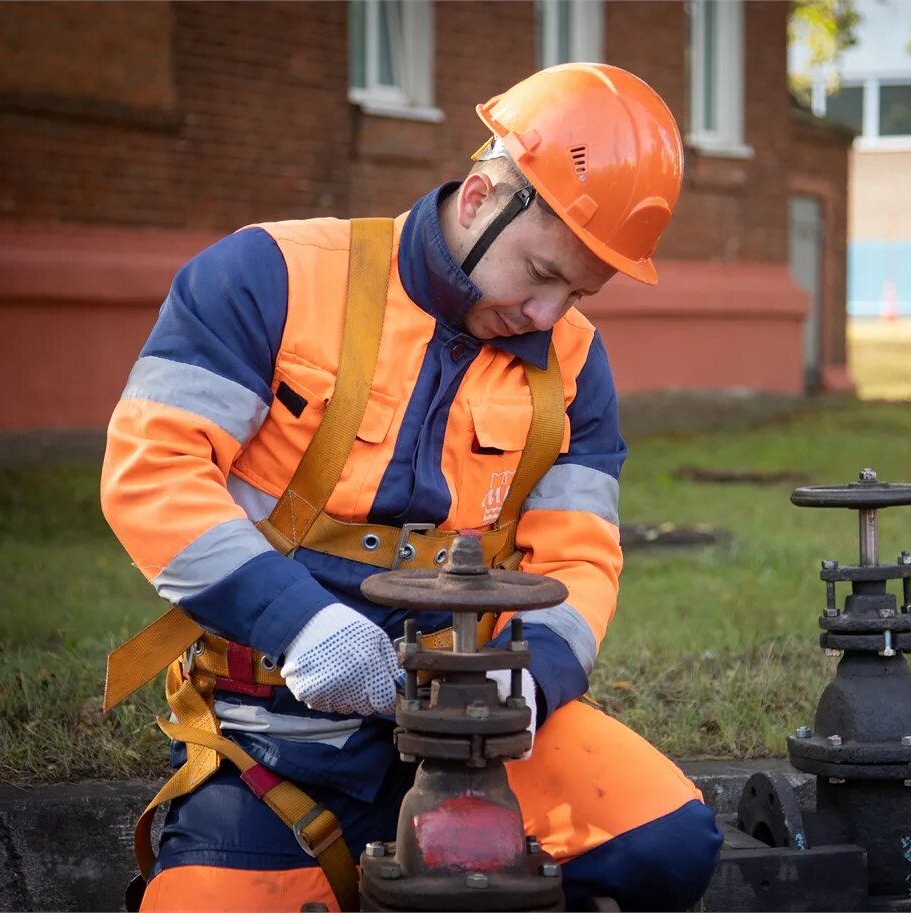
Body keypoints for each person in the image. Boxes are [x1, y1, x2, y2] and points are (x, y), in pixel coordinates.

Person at [100, 62, 723, 912]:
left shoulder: (574, 364)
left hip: (481, 739)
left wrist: (528, 686)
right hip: (277, 737)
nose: (548, 315)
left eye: (578, 290)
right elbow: (151, 475)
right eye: (541, 273)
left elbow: (580, 560)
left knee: (667, 845)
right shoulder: (267, 276)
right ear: (478, 200)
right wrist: (299, 621)